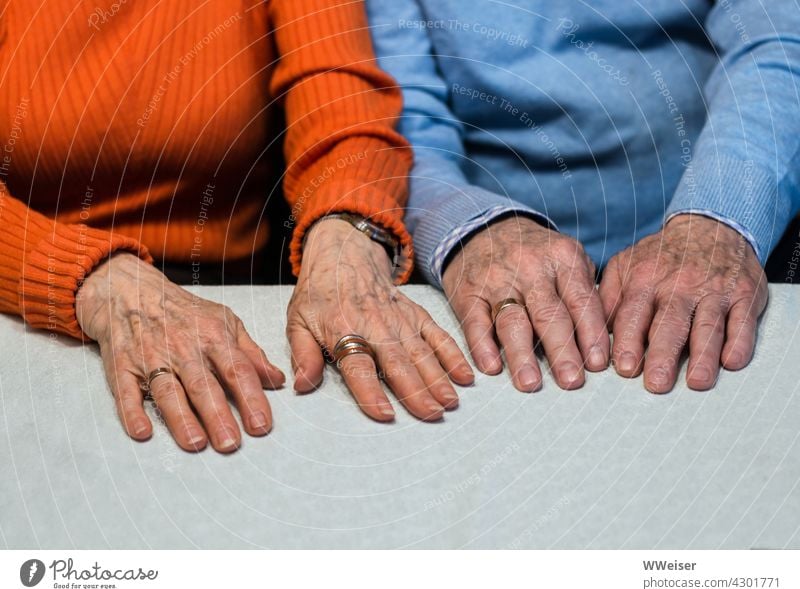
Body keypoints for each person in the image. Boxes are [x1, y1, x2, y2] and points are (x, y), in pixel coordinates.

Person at [0, 0, 472, 453]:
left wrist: (347, 232)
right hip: (30, 289)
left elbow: (339, 95)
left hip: (237, 283)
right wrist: (94, 276)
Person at [366, 0, 799, 393]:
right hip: (489, 260)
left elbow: (777, 43)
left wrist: (718, 218)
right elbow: (406, 122)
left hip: (734, 224)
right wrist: (471, 227)